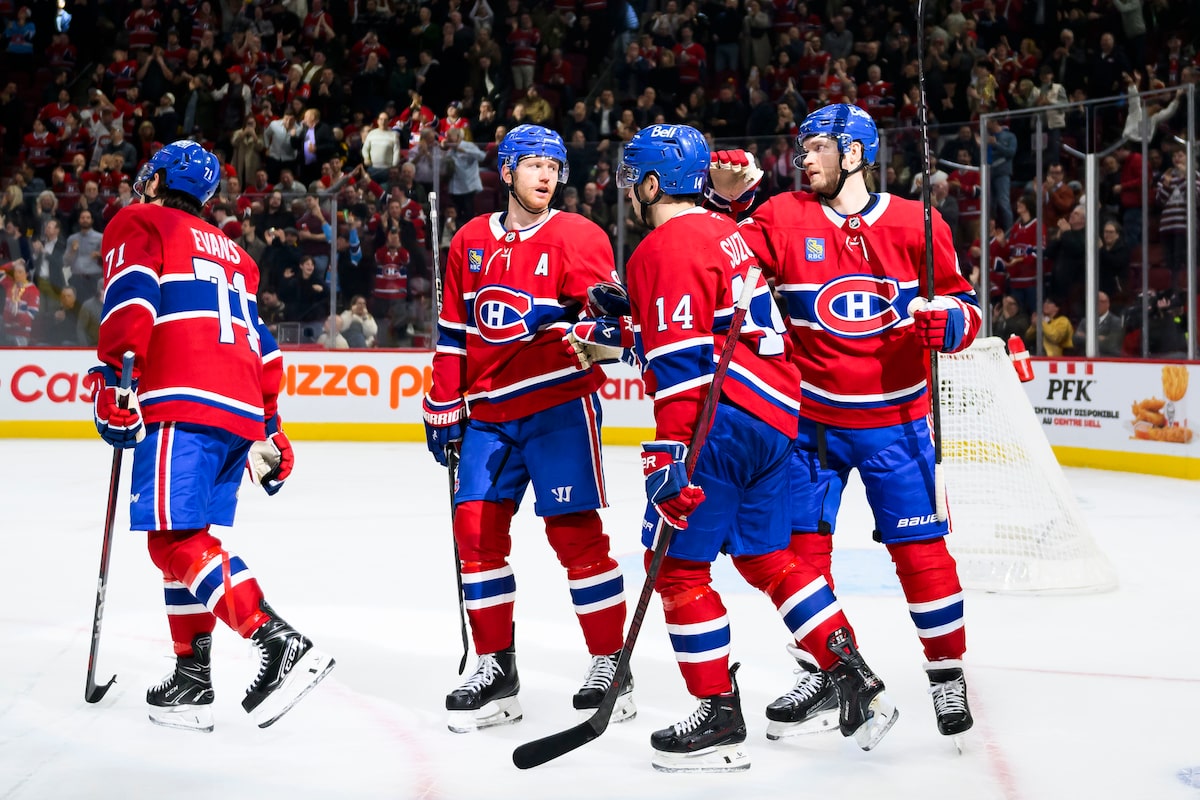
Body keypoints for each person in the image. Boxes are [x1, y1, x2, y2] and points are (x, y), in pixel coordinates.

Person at [573, 123, 898, 771]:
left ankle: (718, 716)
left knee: (676, 569)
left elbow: (683, 361)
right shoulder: (732, 234)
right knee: (770, 561)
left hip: (714, 423)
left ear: (653, 182)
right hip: (776, 420)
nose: (630, 189)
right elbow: (715, 321)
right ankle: (855, 679)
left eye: (635, 176)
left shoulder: (661, 248)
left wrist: (671, 453)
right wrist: (632, 316)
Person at [707, 104, 982, 743]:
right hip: (810, 427)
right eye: (800, 148)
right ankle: (830, 671)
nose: (803, 159)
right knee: (801, 554)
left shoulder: (919, 222)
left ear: (855, 154)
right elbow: (721, 266)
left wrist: (952, 325)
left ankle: (947, 675)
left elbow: (963, 306)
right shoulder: (781, 216)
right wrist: (731, 206)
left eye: (817, 148)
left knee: (921, 555)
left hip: (899, 422)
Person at [89, 140, 334, 733]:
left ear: (154, 181)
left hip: (180, 398)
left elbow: (132, 299)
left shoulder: (139, 219)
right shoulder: (235, 255)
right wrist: (270, 427)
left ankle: (275, 639)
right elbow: (260, 343)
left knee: (171, 543)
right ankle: (191, 676)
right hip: (238, 410)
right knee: (190, 543)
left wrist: (115, 376)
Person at [422, 124, 632, 733]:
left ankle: (610, 662)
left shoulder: (577, 234)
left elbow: (605, 320)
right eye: (534, 163)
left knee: (574, 536)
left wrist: (597, 310)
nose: (546, 175)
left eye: (554, 165)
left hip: (558, 403)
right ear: (507, 170)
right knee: (476, 532)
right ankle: (496, 667)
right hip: (488, 411)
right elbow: (454, 334)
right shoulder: (469, 241)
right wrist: (442, 402)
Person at [1075, 291, 1123, 357]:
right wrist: (1100, 338)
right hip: (1086, 359)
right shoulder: (1085, 321)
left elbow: (1111, 345)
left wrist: (1085, 336)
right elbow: (1076, 341)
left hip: (1108, 360)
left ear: (1108, 304)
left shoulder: (1116, 321)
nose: (1098, 304)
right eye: (1096, 302)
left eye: (1102, 302)